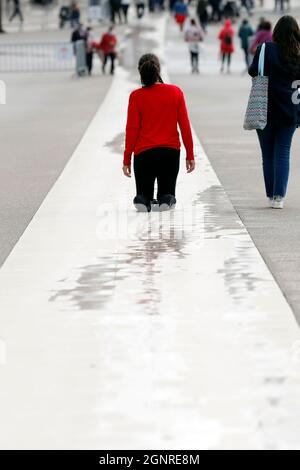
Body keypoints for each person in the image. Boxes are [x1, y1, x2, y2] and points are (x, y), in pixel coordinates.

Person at [123, 53, 195, 212]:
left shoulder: (136, 97)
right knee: (167, 191)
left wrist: (127, 158)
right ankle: (166, 199)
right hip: (169, 153)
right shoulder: (175, 92)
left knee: (143, 193)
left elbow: (132, 129)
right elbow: (184, 126)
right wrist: (190, 154)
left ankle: (143, 199)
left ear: (140, 71)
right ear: (158, 70)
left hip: (144, 154)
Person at [248, 15, 300, 209]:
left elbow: (253, 70)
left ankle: (270, 195)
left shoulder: (265, 49)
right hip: (290, 110)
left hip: (264, 107)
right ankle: (279, 197)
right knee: (283, 152)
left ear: (276, 32)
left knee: (267, 154)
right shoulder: (298, 54)